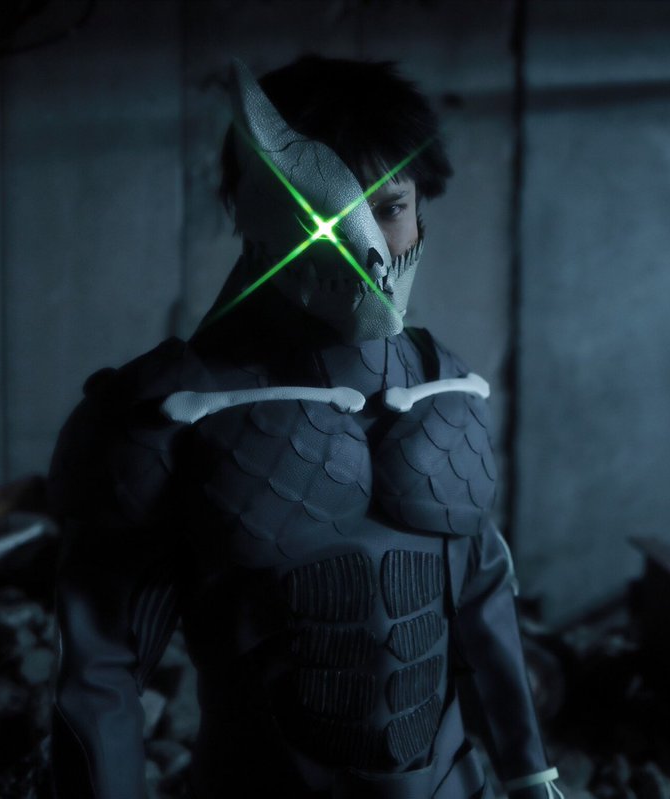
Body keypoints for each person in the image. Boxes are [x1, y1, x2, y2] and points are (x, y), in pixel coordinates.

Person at [49, 55, 562, 799]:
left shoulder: (442, 380)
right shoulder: (169, 411)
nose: (367, 247)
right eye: (321, 217)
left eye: (391, 206)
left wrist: (530, 771)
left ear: (421, 205)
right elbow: (101, 667)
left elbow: (483, 596)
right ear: (251, 212)